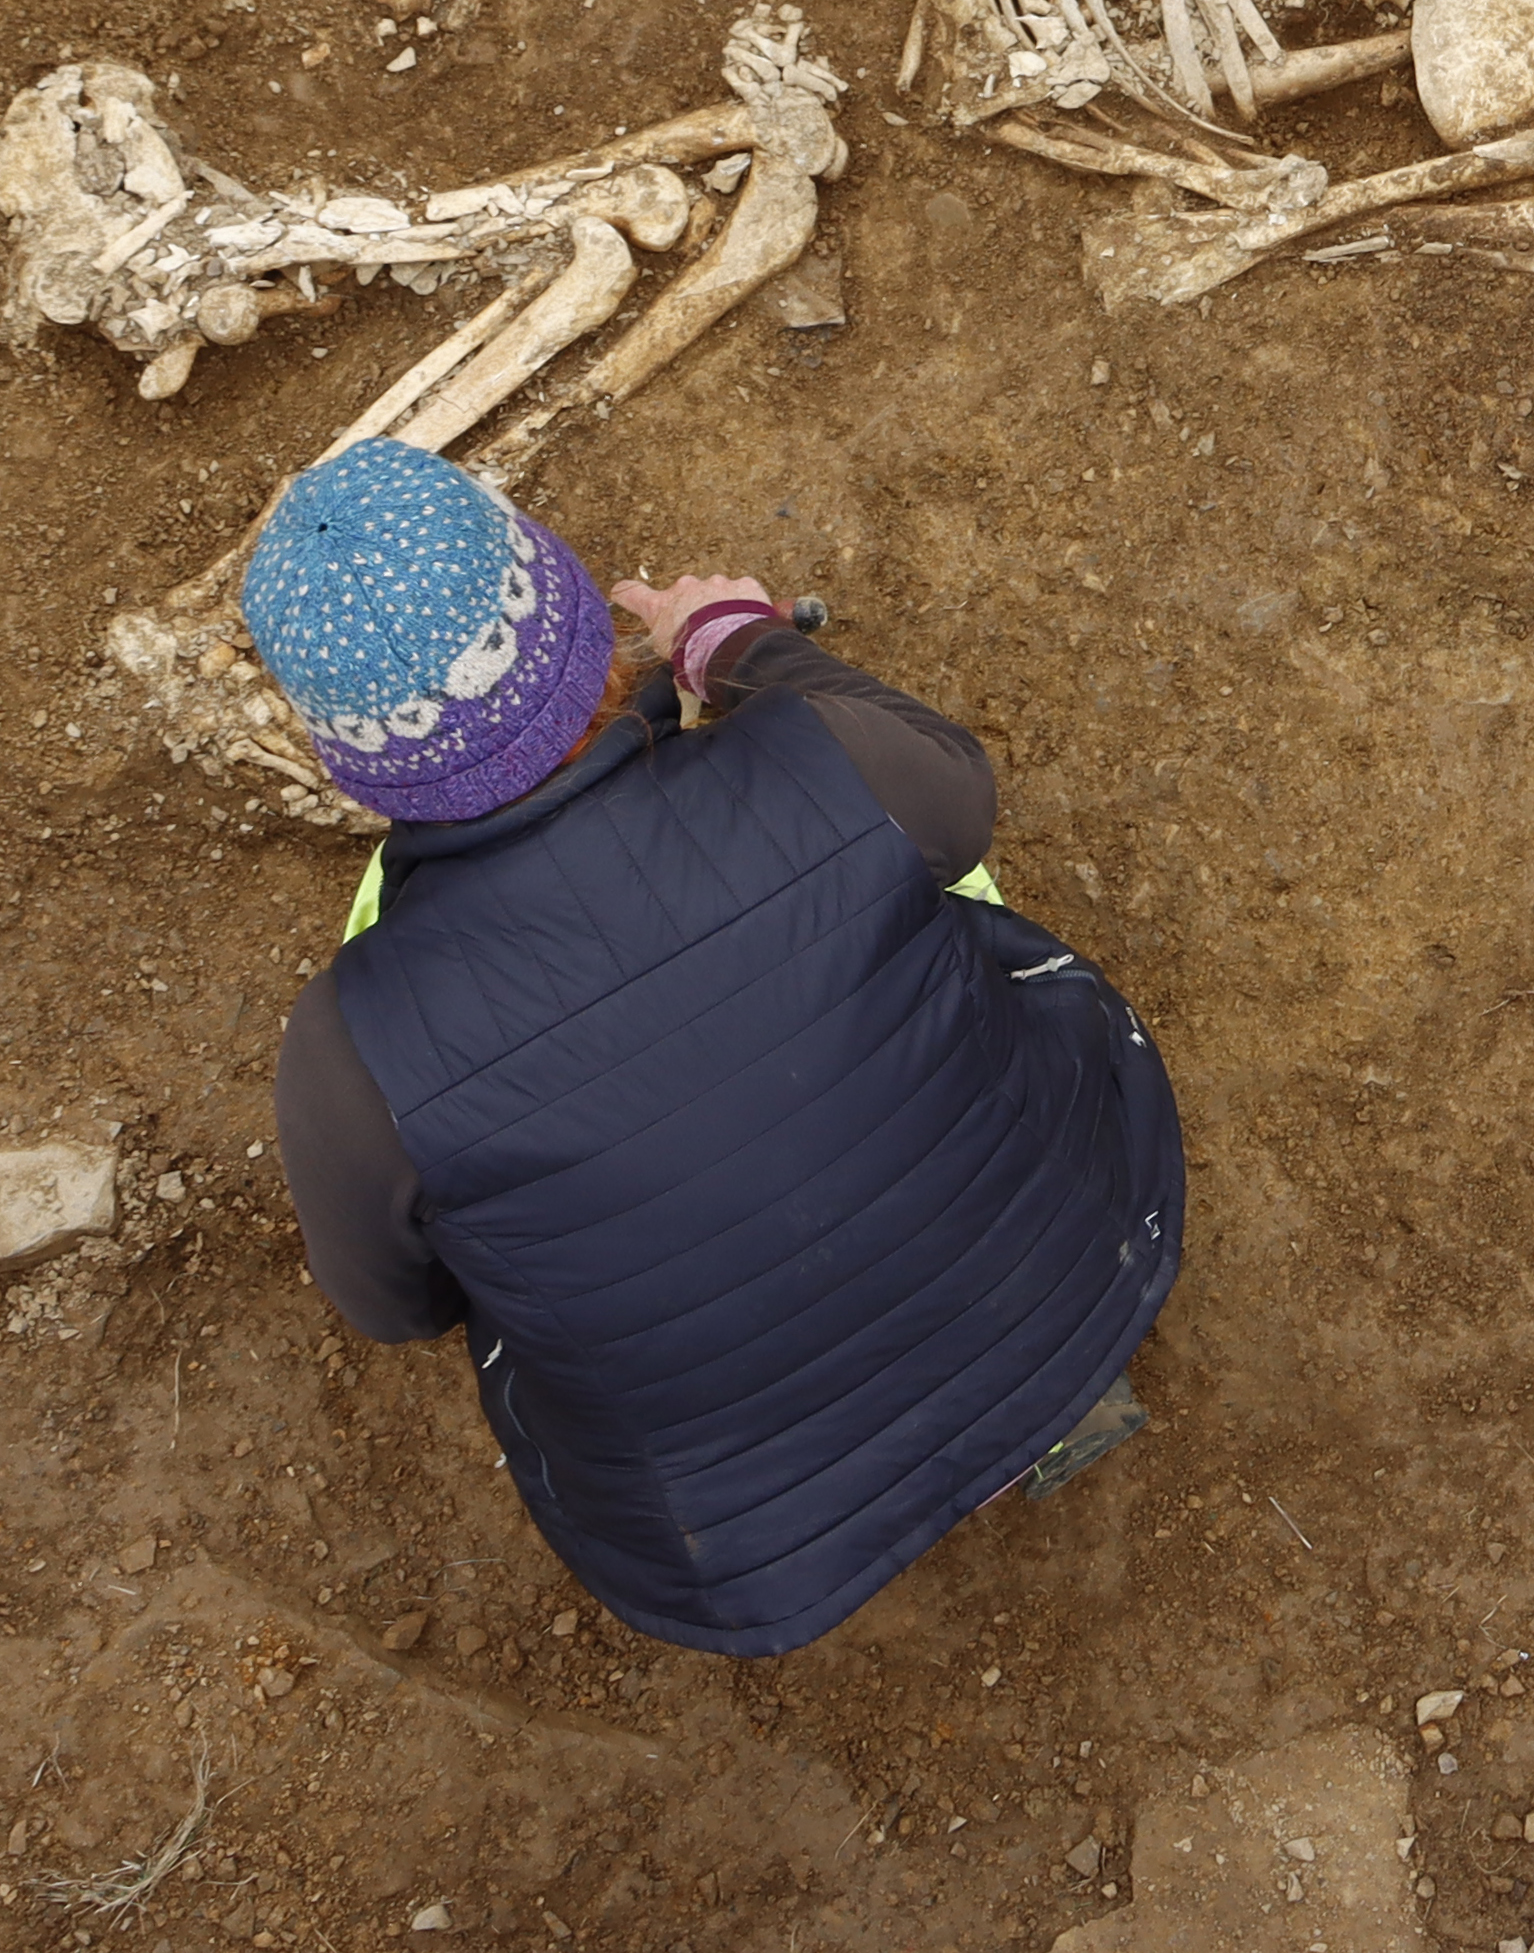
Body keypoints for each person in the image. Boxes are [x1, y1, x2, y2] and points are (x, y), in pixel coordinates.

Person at [246, 435, 1182, 1658]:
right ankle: (1040, 1410)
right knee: (945, 909)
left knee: (515, 1260)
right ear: (574, 624)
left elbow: (395, 1306)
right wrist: (731, 639)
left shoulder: (345, 1050)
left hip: (737, 1546)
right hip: (1079, 1274)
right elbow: (955, 791)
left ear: (350, 761)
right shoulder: (827, 764)